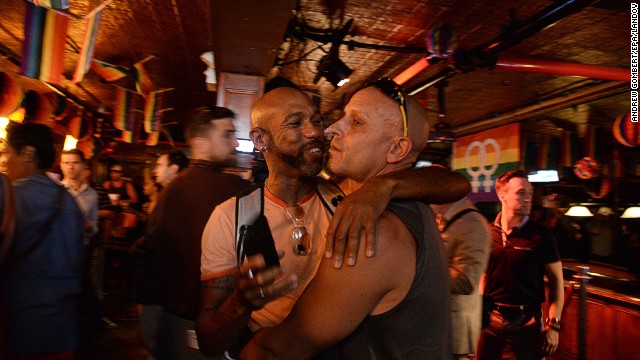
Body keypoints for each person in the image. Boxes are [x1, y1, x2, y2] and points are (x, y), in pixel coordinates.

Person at [199, 79, 450, 359]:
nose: (317, 132)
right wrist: (239, 304)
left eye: (316, 120)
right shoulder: (231, 218)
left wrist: (384, 187)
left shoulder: (350, 196)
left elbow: (453, 183)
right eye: (295, 124)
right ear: (260, 139)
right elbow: (209, 341)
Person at [145, 106, 252, 360]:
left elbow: (152, 246)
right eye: (227, 134)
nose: (235, 142)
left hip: (174, 319)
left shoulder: (171, 190)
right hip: (221, 321)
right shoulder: (241, 191)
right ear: (201, 144)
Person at [1, 122, 84, 359]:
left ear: (28, 153)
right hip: (63, 330)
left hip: (19, 327)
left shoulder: (10, 197)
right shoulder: (68, 202)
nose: (5, 161)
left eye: (8, 153)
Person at [476, 170, 564, 360]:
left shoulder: (542, 235)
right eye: (521, 192)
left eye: (530, 193)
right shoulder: (487, 232)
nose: (528, 198)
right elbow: (483, 274)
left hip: (527, 321)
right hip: (492, 320)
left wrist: (554, 325)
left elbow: (557, 282)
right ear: (502, 195)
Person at [60, 148, 117, 330]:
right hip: (60, 249)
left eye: (75, 162)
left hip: (82, 248)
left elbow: (95, 226)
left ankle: (83, 324)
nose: (70, 167)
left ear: (83, 165)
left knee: (82, 286)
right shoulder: (58, 191)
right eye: (66, 162)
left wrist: (90, 226)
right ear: (61, 165)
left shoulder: (91, 194)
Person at [431, 196, 492, 359]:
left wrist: (424, 271)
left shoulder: (473, 223)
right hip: (442, 326)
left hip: (456, 331)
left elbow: (465, 281)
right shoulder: (446, 218)